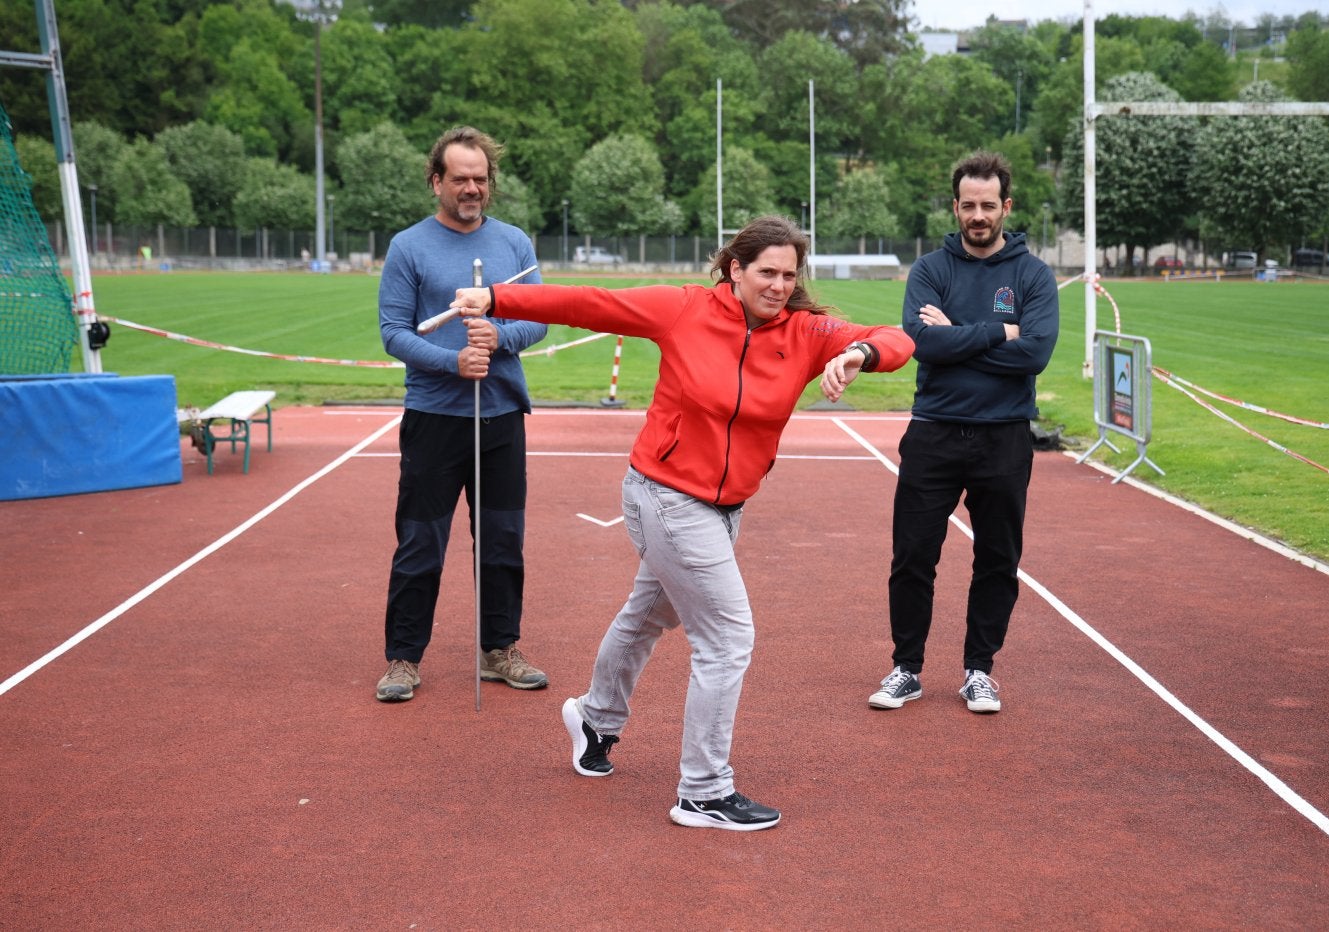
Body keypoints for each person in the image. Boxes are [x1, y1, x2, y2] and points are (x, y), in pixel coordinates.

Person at [449, 216, 913, 830]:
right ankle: (703, 790)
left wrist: (858, 351)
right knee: (727, 638)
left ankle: (594, 717)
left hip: (726, 507)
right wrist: (497, 298)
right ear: (735, 270)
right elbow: (591, 303)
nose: (777, 285)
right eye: (765, 272)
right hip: (663, 495)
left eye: (787, 274)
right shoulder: (684, 310)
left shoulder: (805, 332)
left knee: (650, 613)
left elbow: (897, 338)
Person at [870, 150, 1059, 715]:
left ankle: (980, 670)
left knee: (997, 559)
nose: (978, 215)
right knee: (912, 555)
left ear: (1006, 206)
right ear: (955, 207)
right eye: (968, 205)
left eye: (988, 205)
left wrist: (963, 336)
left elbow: (1037, 354)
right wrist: (1001, 331)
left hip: (1003, 437)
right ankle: (907, 668)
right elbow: (921, 344)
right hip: (934, 433)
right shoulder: (931, 270)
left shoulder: (1032, 274)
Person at [374, 125, 549, 703]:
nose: (471, 189)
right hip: (434, 419)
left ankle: (499, 649)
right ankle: (403, 657)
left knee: (501, 540)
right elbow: (394, 333)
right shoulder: (409, 247)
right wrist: (454, 362)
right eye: (460, 179)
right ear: (436, 182)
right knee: (421, 541)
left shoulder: (514, 244)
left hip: (501, 415)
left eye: (480, 179)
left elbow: (539, 317)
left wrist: (495, 340)